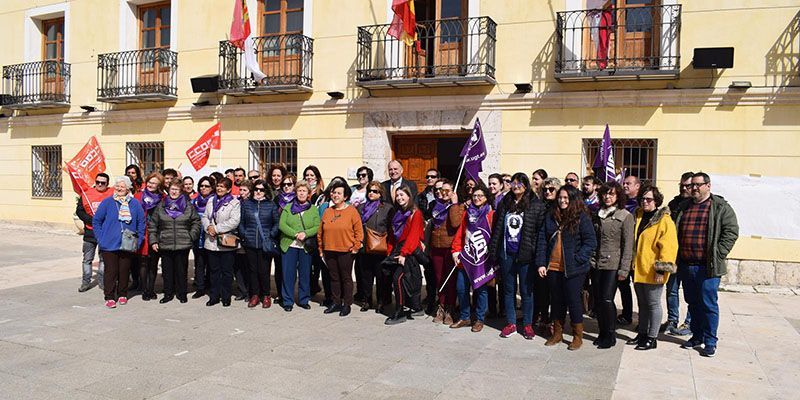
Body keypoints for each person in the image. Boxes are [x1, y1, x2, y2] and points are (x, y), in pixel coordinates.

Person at [673, 172, 739, 358]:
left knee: (708, 304)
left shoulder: (720, 207)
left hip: (707, 267)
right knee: (692, 303)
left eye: (698, 185)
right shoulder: (684, 207)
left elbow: (731, 231)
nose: (693, 188)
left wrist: (718, 253)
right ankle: (697, 335)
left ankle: (710, 342)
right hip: (687, 264)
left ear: (708, 186)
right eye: (691, 185)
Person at [536, 185, 597, 350]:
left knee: (573, 300)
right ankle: (557, 333)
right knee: (556, 301)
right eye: (560, 197)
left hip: (574, 268)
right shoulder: (551, 216)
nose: (562, 201)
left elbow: (590, 241)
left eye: (566, 198)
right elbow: (542, 239)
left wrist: (578, 258)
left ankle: (578, 336)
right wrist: (541, 262)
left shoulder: (581, 217)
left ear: (572, 199)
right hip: (553, 267)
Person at [490, 173, 546, 340]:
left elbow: (538, 232)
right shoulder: (505, 203)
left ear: (526, 185)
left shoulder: (535, 204)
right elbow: (497, 228)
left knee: (526, 291)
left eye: (520, 183)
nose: (516, 186)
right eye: (513, 183)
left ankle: (528, 324)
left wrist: (536, 254)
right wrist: (494, 250)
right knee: (508, 290)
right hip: (507, 253)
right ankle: (511, 323)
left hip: (526, 255)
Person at [626, 185, 678, 351]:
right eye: (642, 199)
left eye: (649, 199)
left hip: (654, 270)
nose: (645, 202)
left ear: (656, 201)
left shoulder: (664, 220)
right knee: (642, 303)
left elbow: (669, 246)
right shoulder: (639, 216)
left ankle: (652, 337)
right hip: (638, 268)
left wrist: (661, 269)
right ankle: (642, 333)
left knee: (653, 304)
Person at [591, 181, 634, 349]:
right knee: (599, 300)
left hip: (613, 263)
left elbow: (628, 244)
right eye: (605, 194)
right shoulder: (597, 214)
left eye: (611, 194)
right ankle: (602, 332)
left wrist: (624, 268)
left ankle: (610, 334)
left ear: (618, 196)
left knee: (607, 299)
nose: (607, 197)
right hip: (596, 263)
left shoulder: (625, 216)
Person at [92, 176, 146, 308]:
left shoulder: (134, 203)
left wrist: (138, 240)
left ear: (128, 188)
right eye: (117, 186)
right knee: (111, 271)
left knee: (124, 270)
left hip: (128, 242)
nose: (119, 188)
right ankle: (109, 296)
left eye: (122, 186)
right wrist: (101, 238)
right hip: (109, 243)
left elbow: (141, 223)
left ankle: (122, 294)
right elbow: (96, 221)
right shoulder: (107, 202)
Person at [148, 180, 201, 304]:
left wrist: (191, 236)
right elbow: (153, 224)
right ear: (168, 190)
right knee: (167, 271)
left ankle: (182, 293)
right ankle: (168, 293)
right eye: (172, 189)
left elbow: (196, 222)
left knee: (181, 270)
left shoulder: (187, 205)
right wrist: (154, 240)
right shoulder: (161, 205)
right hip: (165, 242)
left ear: (181, 191)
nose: (174, 191)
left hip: (183, 243)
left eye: (177, 189)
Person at [450, 184, 494, 333]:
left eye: (480, 196)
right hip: (466, 258)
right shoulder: (467, 213)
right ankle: (465, 316)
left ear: (486, 198)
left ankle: (480, 319)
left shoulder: (491, 214)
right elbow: (460, 233)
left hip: (482, 259)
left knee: (481, 290)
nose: (477, 198)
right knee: (461, 288)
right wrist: (456, 251)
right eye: (475, 196)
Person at [317, 180, 363, 316]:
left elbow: (359, 231)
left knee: (346, 278)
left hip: (346, 251)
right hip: (329, 250)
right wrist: (321, 249)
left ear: (345, 197)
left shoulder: (352, 211)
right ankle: (336, 302)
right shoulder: (327, 211)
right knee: (334, 278)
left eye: (339, 193)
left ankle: (347, 303)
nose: (336, 195)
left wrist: (356, 246)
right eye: (334, 192)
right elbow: (320, 232)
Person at [384, 186, 425, 325]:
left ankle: (400, 311)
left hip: (408, 252)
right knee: (404, 279)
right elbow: (393, 234)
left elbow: (413, 235)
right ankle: (413, 306)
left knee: (399, 279)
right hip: (398, 250)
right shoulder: (398, 212)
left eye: (402, 195)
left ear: (409, 196)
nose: (399, 198)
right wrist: (390, 250)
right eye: (397, 195)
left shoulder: (415, 213)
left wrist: (404, 254)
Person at [279, 180, 320, 311]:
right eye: (299, 190)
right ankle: (287, 301)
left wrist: (306, 233)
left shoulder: (313, 209)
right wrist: (295, 234)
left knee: (305, 274)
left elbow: (317, 226)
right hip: (289, 245)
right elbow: (282, 225)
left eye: (304, 191)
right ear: (295, 192)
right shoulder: (288, 207)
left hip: (305, 247)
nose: (301, 193)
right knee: (288, 274)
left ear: (308, 193)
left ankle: (303, 299)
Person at [239, 179, 280, 309]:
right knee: (252, 270)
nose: (258, 192)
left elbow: (277, 223)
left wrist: (270, 235)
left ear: (265, 191)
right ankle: (255, 295)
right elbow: (241, 222)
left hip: (265, 243)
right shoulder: (246, 204)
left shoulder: (271, 205)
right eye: (256, 189)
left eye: (261, 190)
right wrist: (244, 234)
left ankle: (266, 295)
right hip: (250, 242)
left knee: (264, 271)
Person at [202, 177, 241, 307]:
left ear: (229, 189)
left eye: (223, 187)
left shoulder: (234, 203)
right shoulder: (211, 200)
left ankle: (226, 296)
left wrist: (217, 229)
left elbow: (234, 221)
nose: (219, 188)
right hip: (211, 240)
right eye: (218, 186)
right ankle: (214, 296)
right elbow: (205, 217)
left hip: (226, 242)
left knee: (226, 272)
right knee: (213, 271)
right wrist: (208, 227)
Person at [663, 171, 695, 336]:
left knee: (690, 291)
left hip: (690, 256)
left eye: (687, 185)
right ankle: (672, 320)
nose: (684, 188)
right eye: (681, 185)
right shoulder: (673, 203)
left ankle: (689, 323)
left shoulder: (696, 204)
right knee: (671, 289)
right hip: (673, 256)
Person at [428, 179, 463, 325]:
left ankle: (450, 308)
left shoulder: (457, 206)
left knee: (450, 280)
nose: (444, 193)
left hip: (450, 248)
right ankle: (441, 307)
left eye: (447, 190)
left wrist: (454, 204)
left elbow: (455, 223)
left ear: (453, 192)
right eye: (442, 190)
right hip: (436, 248)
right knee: (439, 278)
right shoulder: (435, 205)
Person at [356, 181, 394, 313]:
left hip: (380, 247)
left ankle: (381, 302)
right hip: (364, 247)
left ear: (381, 193)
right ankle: (366, 301)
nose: (372, 193)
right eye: (370, 191)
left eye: (375, 191)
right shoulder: (361, 207)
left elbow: (390, 228)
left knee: (381, 277)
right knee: (366, 276)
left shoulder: (387, 208)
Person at [76, 173, 113, 292]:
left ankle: (102, 282)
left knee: (103, 259)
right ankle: (85, 282)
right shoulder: (86, 194)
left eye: (103, 183)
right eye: (98, 182)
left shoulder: (112, 193)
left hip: (105, 233)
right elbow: (79, 211)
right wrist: (92, 221)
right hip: (90, 233)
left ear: (107, 184)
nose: (100, 185)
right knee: (87, 259)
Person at [534, 176, 561, 330]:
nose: (547, 192)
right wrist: (540, 262)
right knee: (542, 292)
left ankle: (554, 321)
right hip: (542, 253)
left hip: (557, 256)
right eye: (545, 190)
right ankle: (544, 319)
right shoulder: (539, 206)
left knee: (555, 293)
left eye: (551, 189)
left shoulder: (561, 208)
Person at [135, 172, 164, 301]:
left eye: (155, 183)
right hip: (142, 231)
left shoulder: (163, 198)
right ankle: (145, 289)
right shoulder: (139, 196)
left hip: (156, 232)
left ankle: (151, 288)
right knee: (143, 261)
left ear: (159, 186)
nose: (151, 185)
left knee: (154, 262)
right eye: (150, 182)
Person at [191, 176, 215, 299]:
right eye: (202, 186)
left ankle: (211, 287)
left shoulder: (215, 200)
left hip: (211, 236)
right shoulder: (194, 201)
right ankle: (200, 288)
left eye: (207, 186)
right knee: (199, 263)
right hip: (197, 237)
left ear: (212, 188)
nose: (203, 188)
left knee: (211, 264)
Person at [233, 180, 253, 300]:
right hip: (236, 237)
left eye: (244, 190)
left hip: (248, 237)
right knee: (238, 266)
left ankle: (250, 291)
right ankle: (242, 290)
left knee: (248, 266)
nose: (242, 192)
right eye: (240, 190)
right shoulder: (236, 202)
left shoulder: (252, 203)